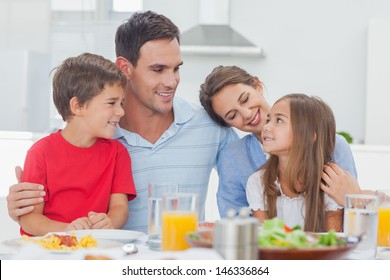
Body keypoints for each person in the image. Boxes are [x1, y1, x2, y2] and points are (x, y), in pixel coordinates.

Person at [7, 11, 238, 233]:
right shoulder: (94, 131)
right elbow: (44, 201)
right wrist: (23, 206)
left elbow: (253, 184)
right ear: (125, 68)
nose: (171, 81)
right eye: (158, 69)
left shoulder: (209, 126)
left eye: (176, 69)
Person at [199, 65, 357, 218]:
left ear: (258, 86)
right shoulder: (233, 157)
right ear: (228, 123)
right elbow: (233, 222)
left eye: (245, 99)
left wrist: (354, 197)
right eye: (232, 115)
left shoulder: (334, 144)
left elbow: (351, 217)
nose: (246, 114)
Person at [19, 53, 136, 236]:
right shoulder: (40, 153)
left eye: (121, 103)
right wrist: (67, 230)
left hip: (94, 250)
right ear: (78, 106)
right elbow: (30, 219)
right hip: (48, 253)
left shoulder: (117, 153)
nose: (121, 111)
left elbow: (120, 207)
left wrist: (109, 222)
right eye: (111, 103)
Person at [246, 94, 342, 232]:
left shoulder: (330, 185)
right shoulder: (258, 182)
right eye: (268, 120)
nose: (266, 127)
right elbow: (266, 241)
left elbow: (331, 245)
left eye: (278, 120)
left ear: (308, 136)